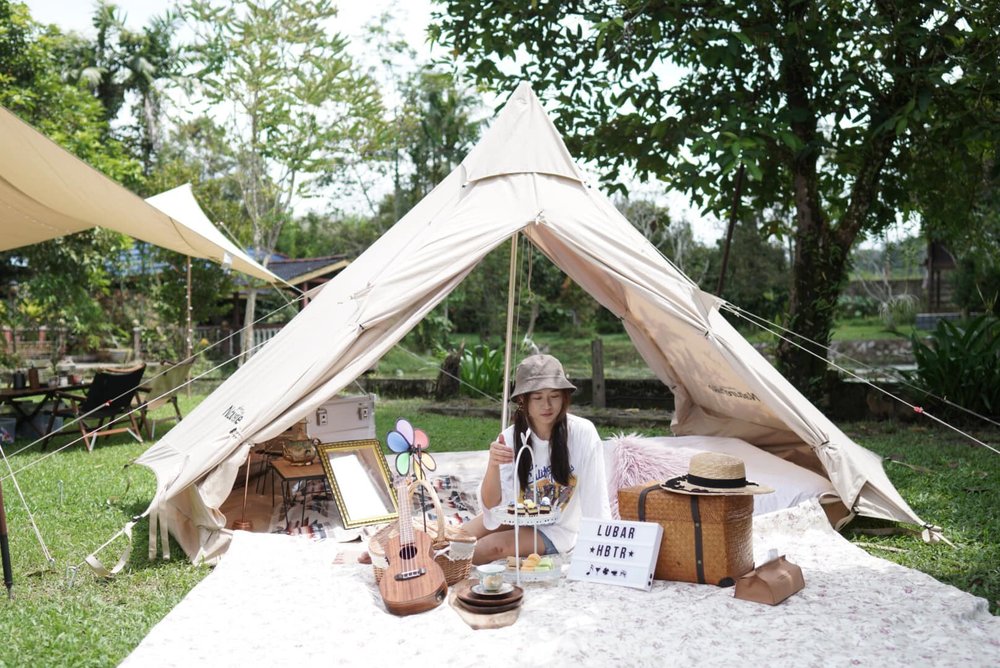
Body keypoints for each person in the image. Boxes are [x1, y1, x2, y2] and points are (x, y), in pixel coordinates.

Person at [464, 354, 610, 565]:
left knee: (489, 547)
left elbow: (596, 500)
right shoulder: (510, 437)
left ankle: (443, 570)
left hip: (557, 529)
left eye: (554, 396)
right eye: (538, 397)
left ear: (564, 397)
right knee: (456, 538)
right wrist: (493, 465)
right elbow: (492, 506)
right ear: (523, 400)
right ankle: (424, 567)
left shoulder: (582, 433)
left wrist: (602, 548)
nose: (547, 405)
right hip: (518, 514)